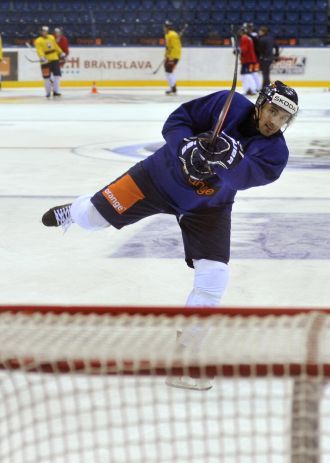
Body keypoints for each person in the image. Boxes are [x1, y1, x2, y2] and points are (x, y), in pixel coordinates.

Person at [42, 81, 298, 312]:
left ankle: (189, 342)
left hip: (208, 206)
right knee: (91, 219)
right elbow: (177, 121)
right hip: (154, 178)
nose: (275, 122)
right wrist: (185, 146)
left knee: (215, 275)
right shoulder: (226, 103)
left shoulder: (276, 153)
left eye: (284, 117)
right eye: (273, 111)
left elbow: (242, 179)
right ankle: (76, 211)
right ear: (260, 104)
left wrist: (228, 159)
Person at [34, 26, 65, 98]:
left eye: (46, 31)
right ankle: (48, 93)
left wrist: (61, 52)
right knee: (46, 77)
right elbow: (39, 50)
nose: (45, 32)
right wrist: (42, 57)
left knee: (57, 75)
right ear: (41, 32)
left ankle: (56, 91)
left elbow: (55, 46)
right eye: (43, 31)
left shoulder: (51, 37)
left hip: (55, 58)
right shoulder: (38, 40)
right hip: (45, 61)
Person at [238, 26, 260, 96]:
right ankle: (248, 89)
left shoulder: (244, 38)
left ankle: (252, 89)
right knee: (245, 74)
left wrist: (238, 50)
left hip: (247, 59)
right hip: (250, 59)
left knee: (247, 74)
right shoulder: (248, 38)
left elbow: (244, 49)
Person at [163, 20, 181, 95]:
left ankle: (173, 88)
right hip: (170, 56)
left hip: (173, 56)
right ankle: (172, 87)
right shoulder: (168, 35)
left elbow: (175, 47)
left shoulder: (172, 35)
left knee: (169, 71)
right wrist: (166, 56)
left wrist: (171, 58)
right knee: (168, 72)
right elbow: (168, 47)